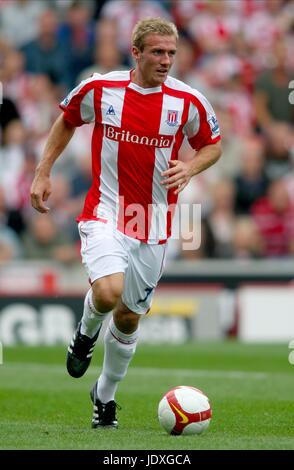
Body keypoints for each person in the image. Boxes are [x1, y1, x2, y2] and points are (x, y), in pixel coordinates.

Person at [30, 17, 222, 429]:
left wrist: (191, 167)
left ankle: (104, 396)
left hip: (154, 222)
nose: (166, 60)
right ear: (135, 52)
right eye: (157, 52)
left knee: (130, 317)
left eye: (171, 52)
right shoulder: (101, 89)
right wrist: (43, 171)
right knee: (108, 290)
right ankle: (84, 335)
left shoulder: (188, 101)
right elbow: (66, 120)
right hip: (106, 211)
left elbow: (213, 144)